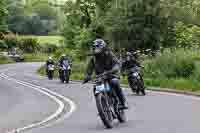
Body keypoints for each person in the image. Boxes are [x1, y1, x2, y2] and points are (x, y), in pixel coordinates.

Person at [83, 39, 128, 109]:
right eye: (95, 47)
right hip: (100, 76)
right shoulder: (93, 58)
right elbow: (89, 68)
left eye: (98, 46)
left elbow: (116, 63)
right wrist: (87, 76)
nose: (96, 48)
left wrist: (114, 69)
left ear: (103, 46)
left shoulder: (109, 54)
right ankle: (101, 106)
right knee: (95, 88)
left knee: (114, 82)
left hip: (111, 73)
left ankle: (123, 102)